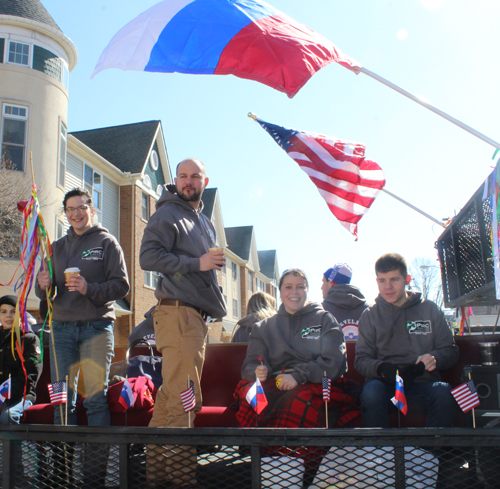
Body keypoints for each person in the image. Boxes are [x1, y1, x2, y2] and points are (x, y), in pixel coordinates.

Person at [140, 158, 227, 488]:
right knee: (183, 400)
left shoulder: (204, 222)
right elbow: (147, 257)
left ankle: (158, 479)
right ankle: (180, 481)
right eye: (183, 176)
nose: (189, 181)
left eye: (195, 176)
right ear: (175, 179)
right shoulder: (167, 212)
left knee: (168, 401)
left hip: (194, 319)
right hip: (177, 315)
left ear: (205, 180)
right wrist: (198, 262)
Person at [35, 188, 129, 427]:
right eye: (70, 209)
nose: (76, 213)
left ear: (91, 210)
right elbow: (44, 292)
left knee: (96, 400)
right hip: (61, 330)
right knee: (61, 399)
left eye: (81, 208)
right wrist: (42, 284)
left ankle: (94, 466)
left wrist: (89, 288)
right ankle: (62, 465)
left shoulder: (107, 242)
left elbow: (121, 286)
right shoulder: (55, 247)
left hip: (96, 328)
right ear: (65, 213)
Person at [236, 269, 357, 430]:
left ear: (307, 290)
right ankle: (261, 454)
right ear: (280, 293)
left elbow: (335, 362)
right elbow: (249, 365)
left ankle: (293, 455)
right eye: (288, 287)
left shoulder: (324, 319)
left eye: (300, 287)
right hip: (275, 382)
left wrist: (297, 377)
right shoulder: (263, 327)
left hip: (315, 382)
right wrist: (257, 371)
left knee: (297, 400)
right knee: (252, 399)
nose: (294, 292)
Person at [354, 253, 459, 428]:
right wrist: (382, 368)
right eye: (382, 281)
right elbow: (361, 360)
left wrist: (435, 358)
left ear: (407, 279)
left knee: (443, 392)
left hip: (422, 383)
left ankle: (432, 454)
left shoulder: (430, 309)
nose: (388, 287)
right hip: (384, 385)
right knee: (371, 392)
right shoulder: (370, 315)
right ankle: (378, 454)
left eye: (394, 279)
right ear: (377, 282)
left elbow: (450, 351)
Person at [0, 295, 42, 424]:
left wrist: (3, 395)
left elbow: (30, 374)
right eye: (4, 312)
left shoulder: (30, 339)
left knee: (8, 416)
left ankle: (15, 445)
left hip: (20, 396)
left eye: (14, 312)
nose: (9, 316)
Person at [321, 263, 369, 341]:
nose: (321, 287)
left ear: (331, 284)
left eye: (323, 282)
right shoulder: (369, 310)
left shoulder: (321, 311)